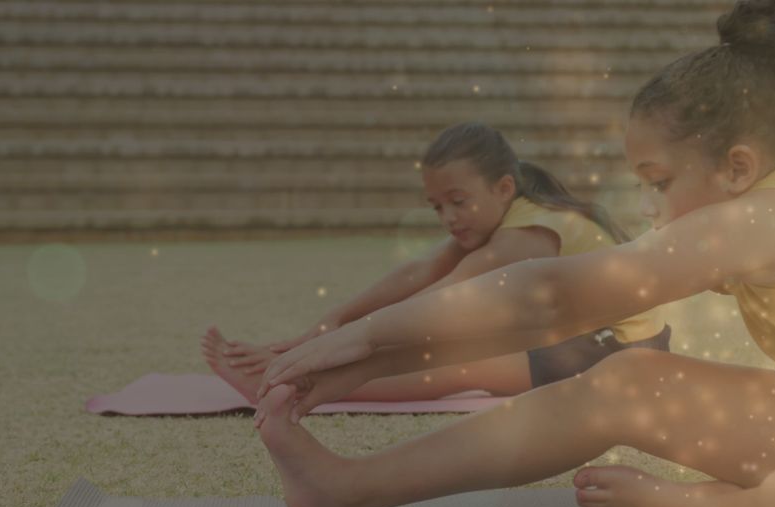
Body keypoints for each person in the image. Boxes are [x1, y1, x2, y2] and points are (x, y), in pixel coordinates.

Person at [252, 0, 775, 507]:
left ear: (738, 168)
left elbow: (555, 295)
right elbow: (544, 316)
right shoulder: (760, 212)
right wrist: (372, 361)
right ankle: (343, 490)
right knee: (626, 381)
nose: (652, 207)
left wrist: (361, 336)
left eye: (659, 182)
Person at [200, 122, 671, 403]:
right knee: (438, 338)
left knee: (456, 358)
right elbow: (418, 273)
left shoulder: (527, 235)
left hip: (621, 353)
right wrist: (322, 330)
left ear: (503, 189)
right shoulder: (503, 216)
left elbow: (441, 299)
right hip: (580, 333)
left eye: (458, 201)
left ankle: (293, 385)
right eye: (437, 206)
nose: (448, 217)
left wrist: (326, 353)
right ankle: (293, 373)